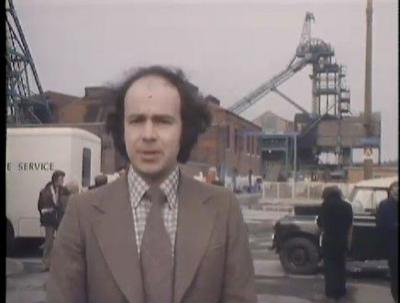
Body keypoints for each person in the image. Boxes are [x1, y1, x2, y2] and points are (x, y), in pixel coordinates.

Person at [47, 66, 257, 303]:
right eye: (136, 120)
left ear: (184, 130)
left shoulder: (223, 208)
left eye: (162, 121)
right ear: (121, 129)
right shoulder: (81, 212)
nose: (148, 134)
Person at [317, 186, 353, 302]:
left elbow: (320, 223)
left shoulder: (325, 206)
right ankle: (341, 291)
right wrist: (349, 241)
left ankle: (331, 292)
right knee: (341, 266)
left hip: (329, 240)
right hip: (342, 240)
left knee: (330, 266)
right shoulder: (347, 206)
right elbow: (350, 224)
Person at [37, 170, 65, 271]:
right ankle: (46, 264)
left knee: (61, 241)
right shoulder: (45, 191)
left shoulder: (62, 190)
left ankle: (55, 263)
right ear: (55, 179)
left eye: (63, 179)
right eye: (61, 179)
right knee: (49, 242)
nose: (62, 181)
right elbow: (40, 206)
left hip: (59, 218)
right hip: (49, 219)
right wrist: (47, 211)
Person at [376, 181, 398, 302]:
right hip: (393, 244)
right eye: (395, 189)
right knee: (395, 275)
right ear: (390, 191)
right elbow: (381, 224)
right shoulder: (384, 205)